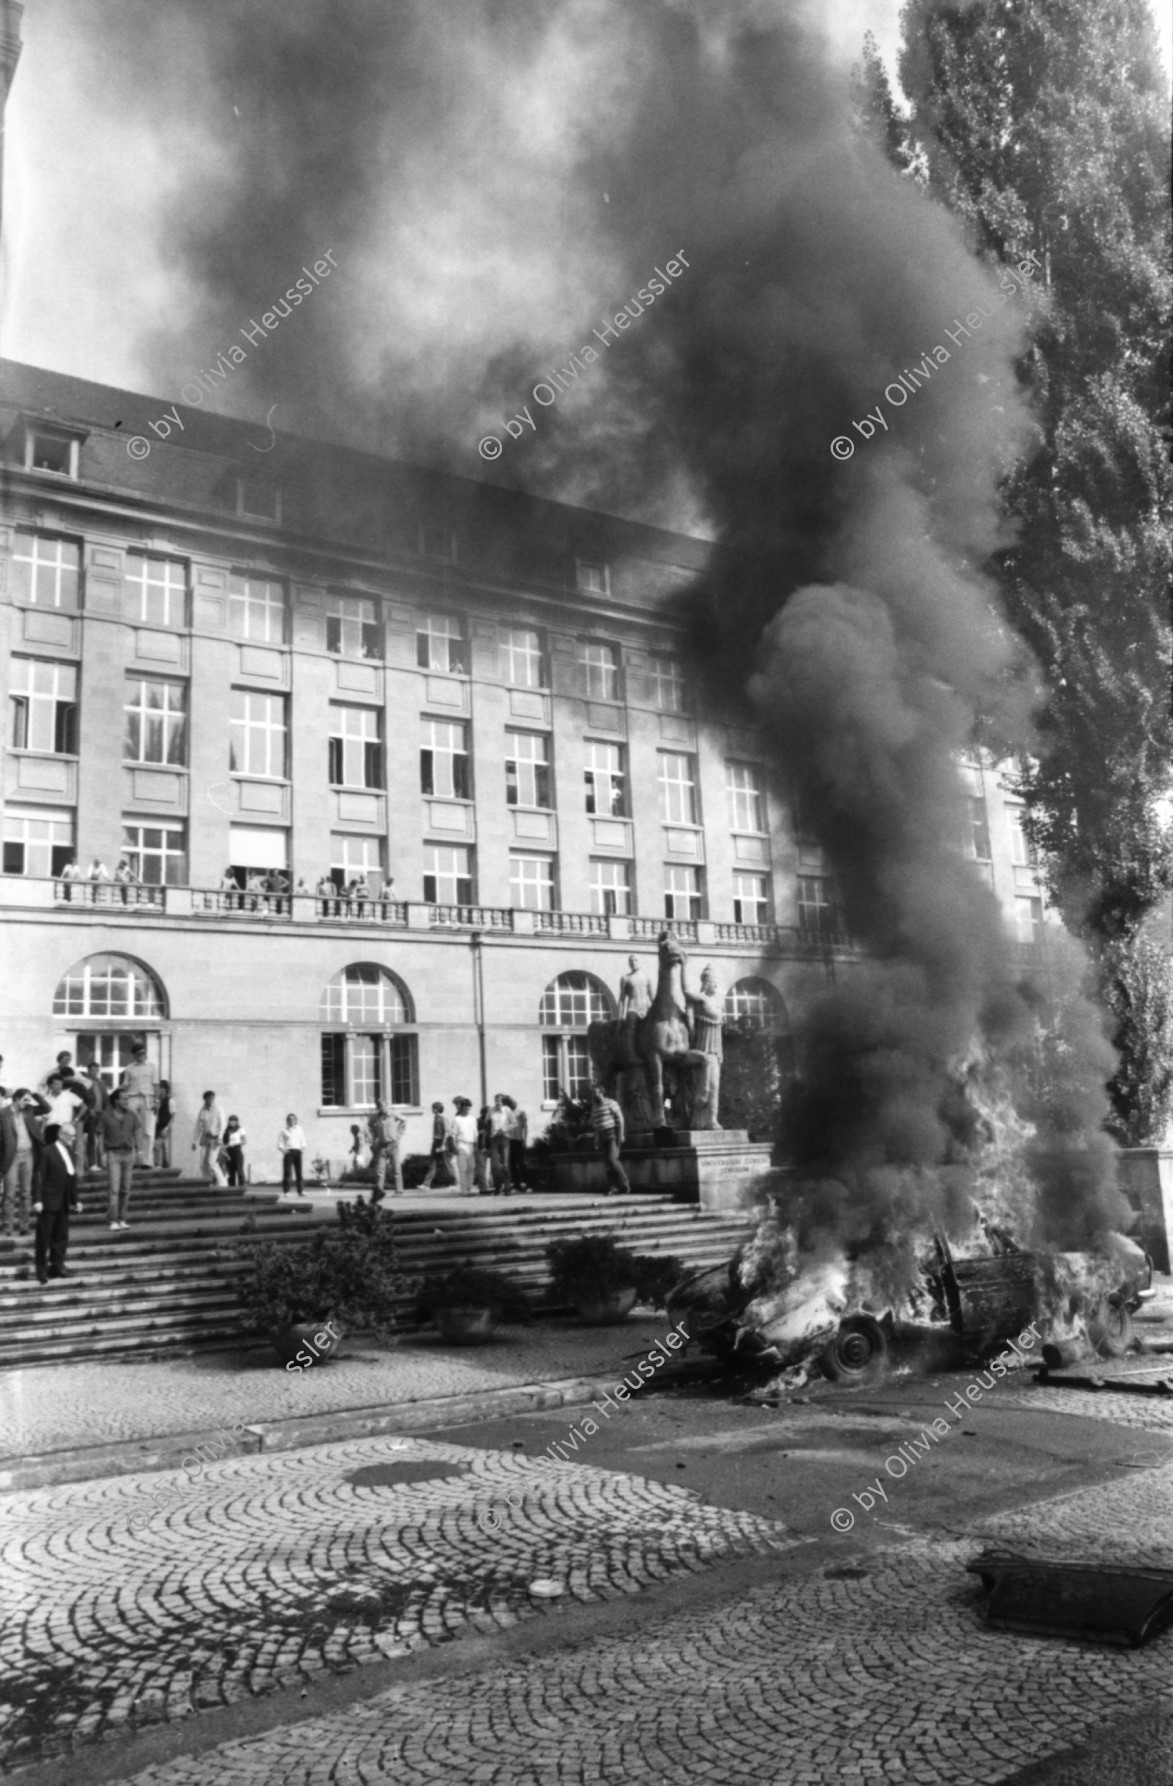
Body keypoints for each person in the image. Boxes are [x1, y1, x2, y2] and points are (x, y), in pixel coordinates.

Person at [33, 1122, 81, 1283]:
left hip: (63, 1200)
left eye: (74, 1136)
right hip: (48, 1200)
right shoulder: (47, 1152)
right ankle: (41, 1269)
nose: (72, 1139)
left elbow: (71, 1178)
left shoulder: (69, 1152)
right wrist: (38, 1199)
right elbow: (38, 1177)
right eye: (70, 1136)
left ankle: (57, 1266)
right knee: (44, 1236)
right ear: (61, 1135)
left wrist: (76, 1200)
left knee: (61, 1235)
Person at [99, 1086, 141, 1230]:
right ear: (116, 1100)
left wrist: (139, 1152)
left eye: (127, 1098)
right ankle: (113, 1220)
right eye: (124, 1099)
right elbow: (100, 1136)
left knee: (125, 1188)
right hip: (113, 1154)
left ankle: (123, 1218)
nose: (126, 1101)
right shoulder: (106, 1115)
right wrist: (102, 1154)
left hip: (128, 1153)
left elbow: (137, 1133)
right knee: (114, 1188)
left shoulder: (132, 1115)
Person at [0, 1088, 37, 1238]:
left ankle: (24, 1225)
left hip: (27, 1155)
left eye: (28, 1100)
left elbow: (46, 1107)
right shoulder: (3, 1113)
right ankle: (7, 1226)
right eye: (24, 1099)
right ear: (15, 1098)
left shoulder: (28, 1112)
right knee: (9, 1194)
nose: (27, 1103)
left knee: (26, 1193)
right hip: (12, 1156)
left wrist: (34, 1095)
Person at [120, 1042, 158, 1167]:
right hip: (133, 1098)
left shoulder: (152, 1066)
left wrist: (157, 1101)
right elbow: (125, 1085)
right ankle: (133, 1159)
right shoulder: (130, 1068)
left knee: (148, 1130)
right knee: (131, 1128)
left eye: (143, 1053)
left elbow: (156, 1084)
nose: (142, 1055)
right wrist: (123, 1100)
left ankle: (147, 1161)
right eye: (139, 1053)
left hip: (148, 1097)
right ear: (134, 1055)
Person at [590, 1084, 631, 1196]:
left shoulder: (611, 1103)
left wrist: (621, 1134)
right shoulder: (595, 1107)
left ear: (602, 1092)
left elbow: (620, 1118)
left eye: (596, 1093)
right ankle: (613, 1187)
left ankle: (625, 1184)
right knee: (607, 1163)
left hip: (612, 1134)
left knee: (613, 1160)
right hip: (602, 1135)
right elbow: (596, 1125)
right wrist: (596, 1139)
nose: (594, 1095)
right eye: (593, 1093)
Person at [41, 1073, 86, 1164]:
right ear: (50, 1086)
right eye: (56, 1084)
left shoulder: (69, 1096)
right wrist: (42, 1132)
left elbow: (84, 1107)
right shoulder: (45, 1099)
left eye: (60, 1084)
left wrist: (75, 1121)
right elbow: (44, 1118)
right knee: (52, 1157)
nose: (59, 1086)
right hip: (50, 1130)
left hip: (65, 1129)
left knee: (66, 1156)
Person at [617, 955, 653, 1064]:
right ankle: (631, 1054)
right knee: (630, 1029)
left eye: (636, 960)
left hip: (646, 1009)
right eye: (631, 961)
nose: (633, 962)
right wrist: (620, 1017)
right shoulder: (626, 978)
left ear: (640, 961)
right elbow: (622, 999)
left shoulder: (647, 977)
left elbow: (652, 996)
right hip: (633, 1008)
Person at [368, 1098, 404, 1200]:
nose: (381, 1108)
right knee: (380, 1170)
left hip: (393, 1145)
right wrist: (374, 1135)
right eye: (379, 1106)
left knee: (396, 1169)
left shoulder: (393, 1115)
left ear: (386, 1105)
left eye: (382, 1106)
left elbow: (404, 1120)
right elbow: (370, 1124)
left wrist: (399, 1134)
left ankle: (399, 1190)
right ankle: (379, 1191)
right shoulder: (376, 1117)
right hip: (381, 1146)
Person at [192, 1090, 227, 1186]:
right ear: (205, 1099)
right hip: (205, 1138)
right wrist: (194, 1140)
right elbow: (198, 1126)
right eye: (209, 1098)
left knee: (212, 1163)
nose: (211, 1100)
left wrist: (220, 1137)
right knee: (203, 1164)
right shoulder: (202, 1110)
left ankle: (223, 1184)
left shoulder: (219, 1109)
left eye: (212, 1098)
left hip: (215, 1138)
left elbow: (222, 1124)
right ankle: (207, 1183)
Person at [81, 1063, 108, 1173]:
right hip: (90, 1113)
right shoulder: (84, 1082)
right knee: (91, 1139)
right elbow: (82, 1098)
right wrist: (89, 1109)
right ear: (88, 1070)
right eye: (93, 1070)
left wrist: (106, 1111)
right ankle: (91, 1163)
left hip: (101, 1113)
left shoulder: (101, 1082)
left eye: (97, 1070)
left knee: (101, 1139)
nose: (95, 1072)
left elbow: (105, 1097)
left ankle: (102, 1162)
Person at [449, 1097, 478, 1197]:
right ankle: (463, 1189)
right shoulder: (456, 1119)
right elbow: (453, 1135)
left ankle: (469, 1188)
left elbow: (475, 1133)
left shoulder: (472, 1119)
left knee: (471, 1167)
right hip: (461, 1144)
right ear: (461, 1108)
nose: (467, 1110)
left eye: (468, 1108)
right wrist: (454, 1147)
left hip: (471, 1144)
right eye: (465, 1108)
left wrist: (476, 1146)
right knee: (462, 1168)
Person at [420, 1101, 452, 1189]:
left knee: (447, 1162)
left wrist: (443, 1143)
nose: (432, 1110)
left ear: (438, 1109)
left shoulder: (443, 1118)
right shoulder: (435, 1118)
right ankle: (426, 1184)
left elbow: (447, 1131)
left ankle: (455, 1182)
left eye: (434, 1108)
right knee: (432, 1163)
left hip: (442, 1141)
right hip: (436, 1141)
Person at [488, 1094, 514, 1195]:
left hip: (504, 1137)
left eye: (499, 1101)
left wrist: (503, 1129)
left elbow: (514, 1123)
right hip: (494, 1138)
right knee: (495, 1165)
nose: (497, 1102)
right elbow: (487, 1122)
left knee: (505, 1164)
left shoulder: (507, 1110)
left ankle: (507, 1188)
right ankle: (497, 1187)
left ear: (503, 1102)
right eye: (496, 1100)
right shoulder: (491, 1110)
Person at [503, 1094, 530, 1192]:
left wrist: (525, 1139)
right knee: (512, 1163)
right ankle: (517, 1184)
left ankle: (527, 1184)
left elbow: (525, 1127)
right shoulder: (506, 1113)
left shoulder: (521, 1113)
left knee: (521, 1162)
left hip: (518, 1140)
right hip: (509, 1140)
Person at [278, 1113, 307, 1197]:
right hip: (289, 1152)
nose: (291, 1121)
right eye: (289, 1119)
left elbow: (303, 1140)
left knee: (299, 1172)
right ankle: (286, 1191)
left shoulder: (300, 1129)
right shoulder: (284, 1130)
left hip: (298, 1151)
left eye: (293, 1119)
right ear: (287, 1121)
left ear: (296, 1120)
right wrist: (284, 1151)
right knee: (287, 1172)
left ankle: (300, 1191)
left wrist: (301, 1149)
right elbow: (280, 1143)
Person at [153, 1079, 174, 1168]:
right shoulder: (157, 1101)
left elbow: (173, 1116)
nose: (159, 1090)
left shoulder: (170, 1100)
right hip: (157, 1126)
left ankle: (158, 1164)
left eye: (161, 1088)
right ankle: (165, 1164)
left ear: (165, 1089)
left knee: (156, 1144)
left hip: (164, 1126)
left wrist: (166, 1128)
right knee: (163, 1146)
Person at [222, 1115, 247, 1186]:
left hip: (237, 1151)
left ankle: (242, 1187)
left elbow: (244, 1141)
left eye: (233, 1121)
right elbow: (224, 1142)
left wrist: (234, 1144)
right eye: (230, 1121)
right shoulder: (227, 1131)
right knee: (231, 1173)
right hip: (229, 1152)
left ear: (236, 1122)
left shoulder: (240, 1129)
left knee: (239, 1171)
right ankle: (232, 1189)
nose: (232, 1122)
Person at [474, 1105, 493, 1195]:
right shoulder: (479, 1122)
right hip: (480, 1147)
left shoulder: (489, 1122)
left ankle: (486, 1185)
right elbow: (479, 1135)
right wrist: (482, 1147)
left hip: (487, 1147)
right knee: (482, 1168)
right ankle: (483, 1188)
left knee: (486, 1168)